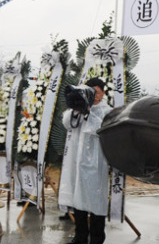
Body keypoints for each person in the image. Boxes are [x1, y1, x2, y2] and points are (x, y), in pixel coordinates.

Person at [58, 78, 112, 244]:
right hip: (76, 162)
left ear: (103, 93)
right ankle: (80, 237)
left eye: (97, 92)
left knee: (97, 201)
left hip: (96, 163)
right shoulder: (78, 107)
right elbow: (67, 122)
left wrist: (89, 112)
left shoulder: (107, 111)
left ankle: (97, 238)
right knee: (78, 200)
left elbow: (99, 129)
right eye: (90, 92)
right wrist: (77, 109)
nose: (94, 96)